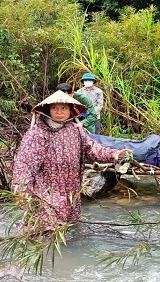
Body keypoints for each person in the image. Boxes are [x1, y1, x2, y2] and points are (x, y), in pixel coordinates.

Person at [12, 90, 131, 227]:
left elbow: (93, 149)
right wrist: (21, 190)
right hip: (46, 192)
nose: (59, 112)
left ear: (70, 110)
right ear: (48, 110)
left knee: (69, 229)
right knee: (45, 229)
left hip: (71, 192)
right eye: (55, 108)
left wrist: (115, 154)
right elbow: (25, 165)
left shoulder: (76, 130)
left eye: (64, 108)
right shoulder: (37, 134)